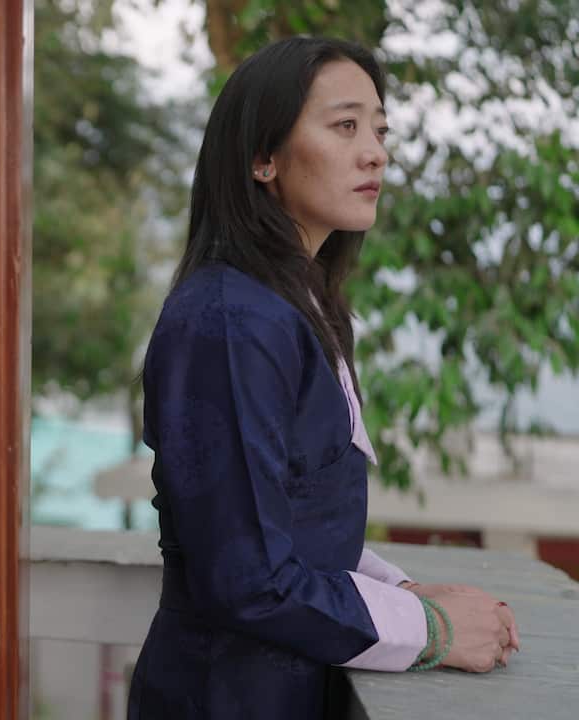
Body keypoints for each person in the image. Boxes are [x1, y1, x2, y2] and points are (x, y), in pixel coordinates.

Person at [125, 37, 521, 719]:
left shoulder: (297, 307)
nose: (375, 153)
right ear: (263, 157)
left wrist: (405, 595)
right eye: (345, 126)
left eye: (379, 130)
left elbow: (300, 524)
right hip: (226, 698)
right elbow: (247, 577)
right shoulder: (229, 321)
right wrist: (432, 632)